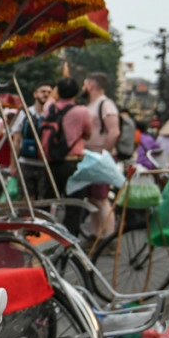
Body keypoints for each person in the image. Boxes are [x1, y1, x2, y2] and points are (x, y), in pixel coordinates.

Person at [39, 77, 91, 237]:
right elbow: (88, 134)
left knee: (47, 203)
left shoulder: (49, 108)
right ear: (76, 93)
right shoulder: (82, 111)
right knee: (73, 206)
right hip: (72, 164)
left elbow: (50, 99)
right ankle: (69, 243)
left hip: (51, 163)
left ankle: (42, 238)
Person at [82, 72, 119, 239]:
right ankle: (95, 235)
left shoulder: (106, 105)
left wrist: (103, 154)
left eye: (84, 84)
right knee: (92, 199)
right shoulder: (92, 105)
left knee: (102, 199)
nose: (82, 88)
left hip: (99, 157)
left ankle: (109, 238)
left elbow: (114, 132)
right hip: (89, 157)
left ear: (90, 86)